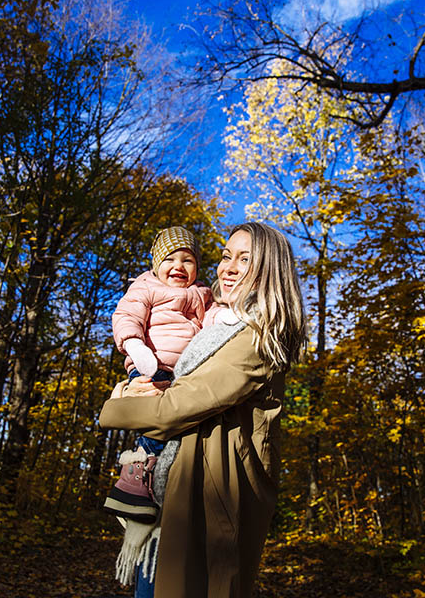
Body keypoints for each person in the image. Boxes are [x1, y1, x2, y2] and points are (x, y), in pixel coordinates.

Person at [99, 222, 307, 598]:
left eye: (245, 259)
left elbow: (181, 404)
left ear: (269, 270)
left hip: (210, 500)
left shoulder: (258, 336)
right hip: (178, 490)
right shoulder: (218, 323)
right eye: (226, 256)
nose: (227, 266)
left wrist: (117, 405)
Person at [104, 226, 216, 523]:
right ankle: (135, 478)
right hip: (150, 364)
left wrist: (227, 317)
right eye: (170, 259)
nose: (179, 266)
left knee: (178, 427)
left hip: (184, 373)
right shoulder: (145, 287)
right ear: (156, 264)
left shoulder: (203, 293)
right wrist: (134, 344)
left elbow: (216, 320)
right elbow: (126, 315)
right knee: (155, 423)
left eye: (187, 260)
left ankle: (155, 485)